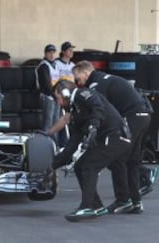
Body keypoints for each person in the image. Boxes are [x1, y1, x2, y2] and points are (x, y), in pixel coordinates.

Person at [72, 60, 154, 213]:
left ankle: (123, 199)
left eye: (78, 79)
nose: (78, 83)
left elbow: (100, 112)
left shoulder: (95, 85)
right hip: (144, 115)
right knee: (132, 160)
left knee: (118, 156)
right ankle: (136, 202)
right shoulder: (106, 78)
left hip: (132, 116)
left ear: (85, 73)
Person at [52, 80, 132, 222]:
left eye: (57, 98)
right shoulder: (75, 111)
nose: (58, 103)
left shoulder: (84, 94)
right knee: (79, 166)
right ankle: (96, 205)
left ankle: (88, 206)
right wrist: (50, 167)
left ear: (65, 93)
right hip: (108, 139)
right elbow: (72, 144)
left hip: (116, 136)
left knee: (90, 165)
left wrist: (93, 127)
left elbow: (98, 107)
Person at [35, 44, 61, 138]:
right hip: (48, 97)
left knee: (56, 122)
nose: (52, 54)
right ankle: (46, 144)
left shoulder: (56, 65)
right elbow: (46, 84)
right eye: (49, 52)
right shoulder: (43, 66)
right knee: (48, 123)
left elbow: (59, 81)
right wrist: (55, 95)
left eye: (53, 52)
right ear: (45, 53)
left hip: (56, 96)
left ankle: (55, 144)